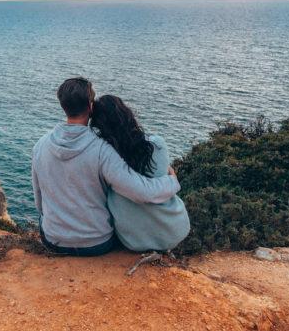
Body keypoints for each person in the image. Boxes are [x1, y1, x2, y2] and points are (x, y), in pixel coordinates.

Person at [32, 77, 181, 256]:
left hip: (53, 240)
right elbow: (142, 192)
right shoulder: (102, 150)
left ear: (63, 106)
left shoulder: (40, 145)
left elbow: (39, 201)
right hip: (96, 243)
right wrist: (172, 182)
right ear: (90, 106)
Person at [90, 94, 190, 252]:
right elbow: (155, 181)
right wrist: (172, 180)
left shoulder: (104, 155)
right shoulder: (157, 144)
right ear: (126, 114)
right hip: (174, 229)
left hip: (134, 240)